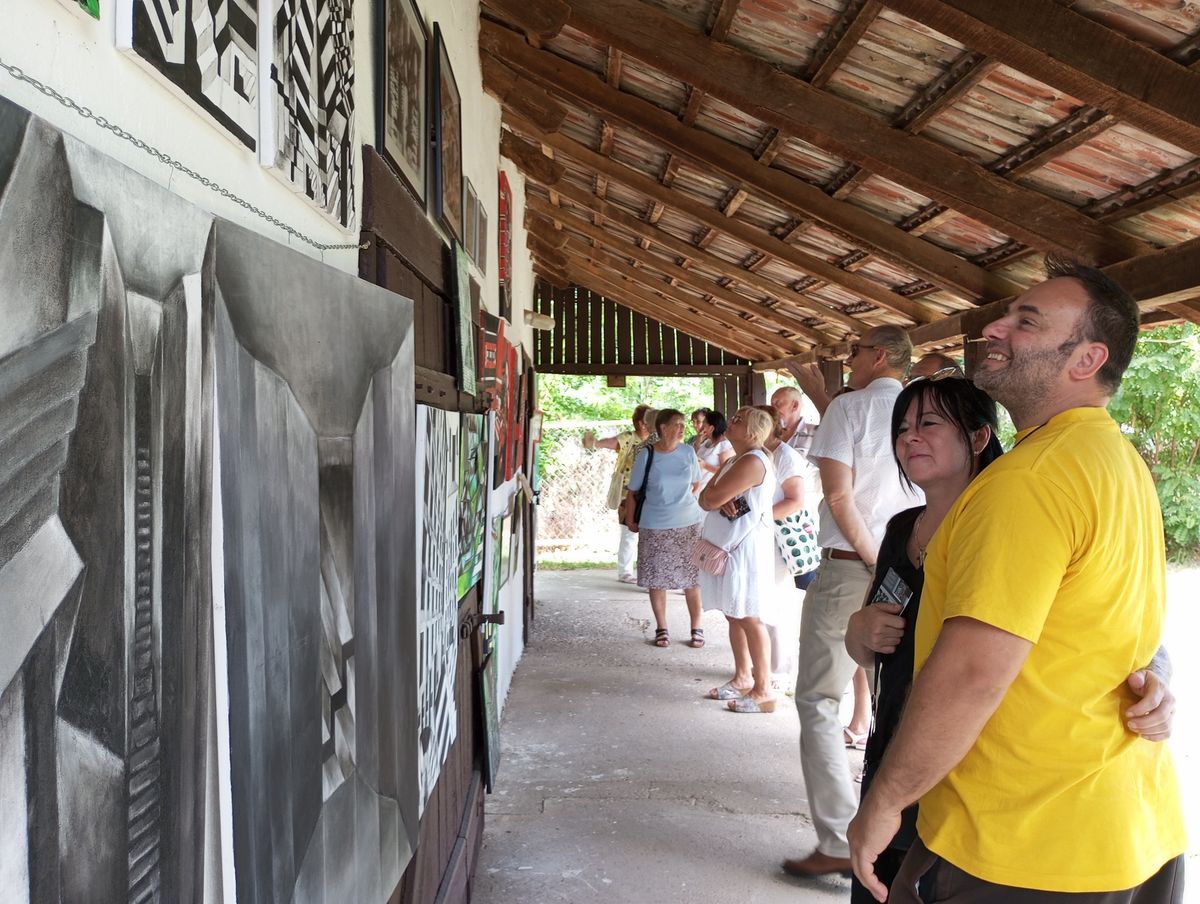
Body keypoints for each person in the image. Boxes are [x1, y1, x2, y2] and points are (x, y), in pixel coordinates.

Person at [848, 258, 1186, 902]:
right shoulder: (1115, 460)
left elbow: (973, 673)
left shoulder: (1027, 483)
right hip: (1125, 828)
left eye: (1026, 321)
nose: (997, 327)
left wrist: (885, 802)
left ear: (1086, 359)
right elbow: (1099, 626)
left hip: (1023, 849)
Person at [784, 325, 923, 880]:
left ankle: (840, 835)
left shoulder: (850, 408)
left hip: (851, 568)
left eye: (856, 351)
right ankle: (898, 832)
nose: (850, 360)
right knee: (901, 695)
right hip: (915, 565)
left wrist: (873, 558)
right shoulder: (922, 407)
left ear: (880, 355)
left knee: (818, 699)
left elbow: (839, 495)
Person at [697, 407, 779, 713]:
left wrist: (716, 497)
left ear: (754, 432)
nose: (732, 420)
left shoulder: (753, 460)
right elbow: (707, 498)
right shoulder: (734, 459)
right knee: (734, 613)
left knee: (749, 616)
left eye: (739, 420)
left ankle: (763, 690)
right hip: (730, 548)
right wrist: (715, 497)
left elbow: (711, 498)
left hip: (745, 550)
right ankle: (743, 676)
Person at [624, 409, 704, 649]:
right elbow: (633, 491)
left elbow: (696, 482)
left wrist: (680, 501)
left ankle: (697, 628)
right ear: (663, 428)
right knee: (656, 579)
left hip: (688, 523)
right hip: (654, 523)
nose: (682, 428)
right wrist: (630, 520)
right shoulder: (646, 454)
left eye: (682, 424)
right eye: (677, 424)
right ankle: (662, 628)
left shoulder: (688, 452)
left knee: (692, 578)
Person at [754, 405, 808, 692]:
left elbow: (795, 500)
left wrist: (757, 517)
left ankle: (778, 668)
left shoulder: (786, 456)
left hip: (776, 540)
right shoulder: (757, 454)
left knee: (776, 603)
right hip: (757, 538)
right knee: (757, 602)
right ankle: (762, 664)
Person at [586, 404, 654, 583]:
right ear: (641, 423)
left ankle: (647, 572)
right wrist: (595, 443)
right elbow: (611, 442)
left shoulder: (657, 440)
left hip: (652, 493)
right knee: (628, 532)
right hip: (628, 494)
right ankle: (625, 571)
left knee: (651, 534)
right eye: (648, 420)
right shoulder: (629, 438)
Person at [694, 409, 734, 488]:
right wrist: (698, 440)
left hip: (709, 488)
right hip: (698, 488)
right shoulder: (707, 442)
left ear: (711, 428)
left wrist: (705, 465)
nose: (701, 427)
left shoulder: (724, 445)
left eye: (704, 424)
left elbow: (726, 471)